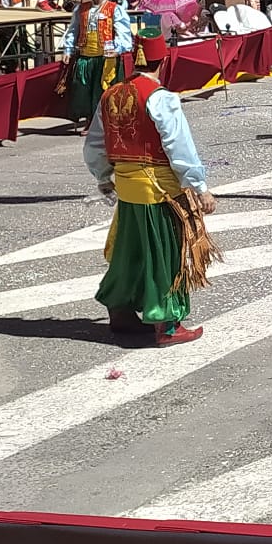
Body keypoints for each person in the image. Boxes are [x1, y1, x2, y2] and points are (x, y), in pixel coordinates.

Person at [82, 31, 216, 347]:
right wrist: (199, 186)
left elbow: (95, 144)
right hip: (160, 191)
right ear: (164, 59)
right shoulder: (161, 97)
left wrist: (103, 177)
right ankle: (167, 324)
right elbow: (178, 146)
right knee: (163, 254)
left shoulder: (110, 94)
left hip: (127, 190)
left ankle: (121, 313)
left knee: (130, 252)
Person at [59, 0, 133, 126]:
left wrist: (118, 49)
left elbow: (123, 33)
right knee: (82, 90)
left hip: (106, 58)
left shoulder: (115, 10)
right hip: (85, 57)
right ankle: (89, 120)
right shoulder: (81, 9)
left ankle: (102, 122)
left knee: (102, 92)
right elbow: (73, 30)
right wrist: (68, 49)